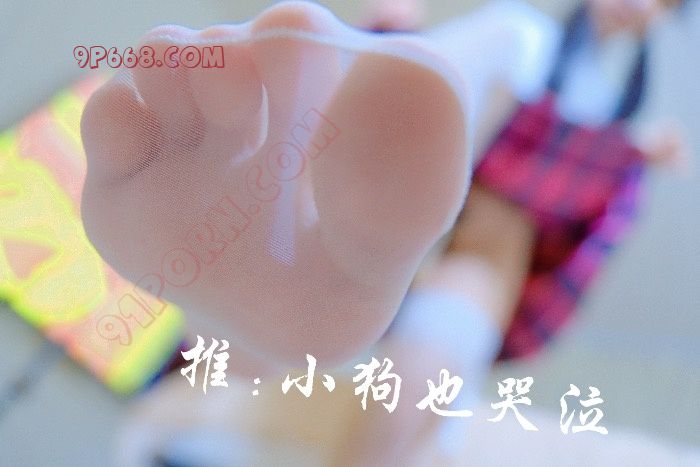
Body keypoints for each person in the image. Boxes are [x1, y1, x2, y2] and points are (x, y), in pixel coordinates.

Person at [80, 0, 691, 464]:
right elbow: (424, 84)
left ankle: (287, 274)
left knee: (468, 290)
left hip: (461, 259)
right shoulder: (522, 35)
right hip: (433, 215)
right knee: (442, 116)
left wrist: (630, 155)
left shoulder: (617, 107)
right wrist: (390, 42)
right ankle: (295, 249)